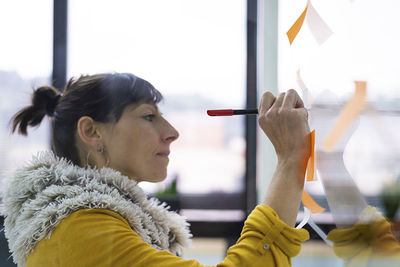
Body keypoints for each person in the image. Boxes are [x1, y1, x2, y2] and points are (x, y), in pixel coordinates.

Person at [2, 73, 311, 267]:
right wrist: (289, 159)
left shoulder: (91, 221)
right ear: (92, 132)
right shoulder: (80, 228)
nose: (172, 131)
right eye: (149, 116)